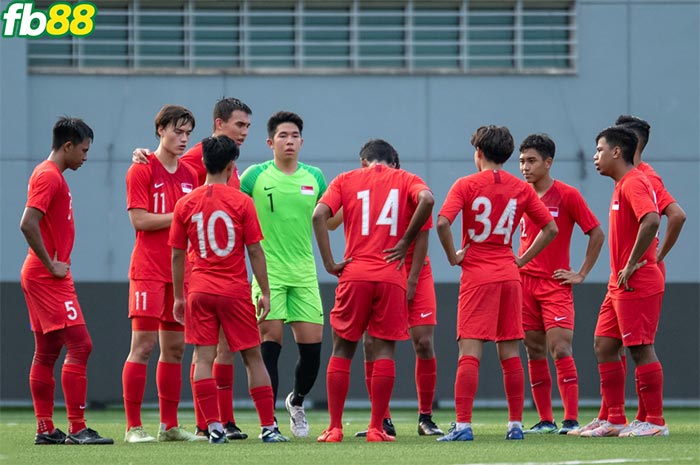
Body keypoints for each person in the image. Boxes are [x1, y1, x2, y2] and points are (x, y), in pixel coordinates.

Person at [133, 97, 253, 440]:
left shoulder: (233, 168)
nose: (244, 132)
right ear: (219, 124)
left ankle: (216, 422)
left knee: (219, 348)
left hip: (210, 272)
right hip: (191, 270)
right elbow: (168, 171)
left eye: (247, 127)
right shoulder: (197, 159)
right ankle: (199, 423)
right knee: (198, 349)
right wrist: (144, 155)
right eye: (239, 125)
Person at [436, 125, 557, 441]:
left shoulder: (466, 184)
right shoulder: (521, 188)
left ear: (478, 153)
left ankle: (463, 426)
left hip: (478, 275)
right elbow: (551, 229)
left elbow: (442, 222)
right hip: (508, 274)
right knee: (511, 353)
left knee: (470, 350)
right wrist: (521, 260)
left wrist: (453, 256)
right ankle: (515, 425)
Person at [313, 139, 434, 443]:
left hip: (354, 273)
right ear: (392, 161)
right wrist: (405, 241)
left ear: (363, 161)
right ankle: (376, 428)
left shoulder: (347, 179)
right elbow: (428, 200)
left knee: (342, 350)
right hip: (391, 275)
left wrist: (329, 263)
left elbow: (318, 216)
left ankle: (335, 428)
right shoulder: (406, 179)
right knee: (383, 351)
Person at [169, 135, 289, 443]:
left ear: (204, 163)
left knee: (204, 357)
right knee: (253, 357)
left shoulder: (185, 203)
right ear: (232, 165)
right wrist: (265, 290)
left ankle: (214, 428)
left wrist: (180, 296)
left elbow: (177, 254)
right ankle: (268, 427)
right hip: (234, 290)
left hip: (199, 289)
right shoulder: (242, 201)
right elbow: (255, 251)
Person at [576, 116, 686, 437]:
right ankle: (613, 418)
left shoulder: (637, 181)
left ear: (618, 151)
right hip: (619, 282)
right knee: (604, 344)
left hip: (635, 279)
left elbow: (652, 220)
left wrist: (638, 260)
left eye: (599, 149)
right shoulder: (622, 183)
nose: (594, 156)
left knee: (639, 347)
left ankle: (654, 421)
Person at [20, 117, 113, 445]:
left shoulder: (50, 174)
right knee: (80, 345)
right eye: (84, 150)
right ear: (68, 145)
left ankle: (46, 429)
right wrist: (51, 264)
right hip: (47, 275)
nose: (86, 157)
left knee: (46, 352)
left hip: (42, 273)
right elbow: (27, 223)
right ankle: (77, 428)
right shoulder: (49, 176)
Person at [239, 111, 327, 438]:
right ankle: (270, 422)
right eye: (282, 136)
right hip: (268, 274)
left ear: (302, 141)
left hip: (304, 274)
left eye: (294, 136)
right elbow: (228, 199)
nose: (289, 141)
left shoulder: (315, 177)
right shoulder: (254, 176)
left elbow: (331, 218)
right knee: (269, 344)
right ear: (270, 142)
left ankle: (296, 401)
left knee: (312, 353)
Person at [122, 105, 203, 443]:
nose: (183, 139)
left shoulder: (190, 174)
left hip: (180, 272)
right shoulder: (141, 169)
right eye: (177, 132)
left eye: (187, 133)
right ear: (160, 130)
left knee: (175, 350)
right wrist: (180, 214)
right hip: (148, 270)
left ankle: (169, 425)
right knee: (142, 345)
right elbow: (139, 220)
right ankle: (133, 427)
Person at [517, 134, 604, 435]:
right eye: (521, 161)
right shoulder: (519, 196)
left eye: (531, 161)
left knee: (561, 349)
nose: (524, 167)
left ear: (548, 162)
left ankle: (570, 419)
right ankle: (544, 420)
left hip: (554, 285)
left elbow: (596, 233)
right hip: (524, 284)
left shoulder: (567, 195)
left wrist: (580, 273)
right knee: (533, 350)